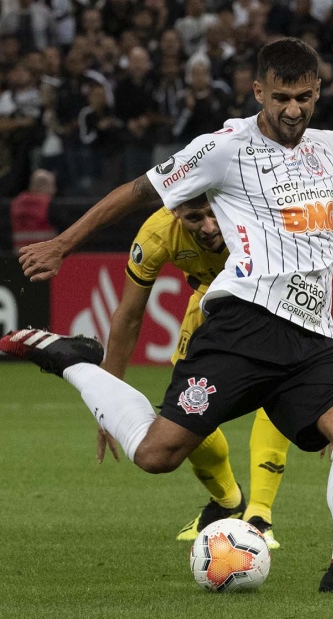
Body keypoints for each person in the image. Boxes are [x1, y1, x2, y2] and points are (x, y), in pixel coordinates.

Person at [1, 37, 333, 594]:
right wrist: (63, 244)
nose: (294, 110)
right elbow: (138, 190)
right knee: (156, 455)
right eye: (282, 97)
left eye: (305, 97)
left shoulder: (325, 147)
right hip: (244, 325)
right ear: (258, 90)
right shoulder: (222, 147)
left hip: (311, 337)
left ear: (318, 92)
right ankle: (71, 359)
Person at [97, 193, 288, 549]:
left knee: (275, 389)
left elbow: (310, 276)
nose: (209, 227)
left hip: (269, 300)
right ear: (174, 212)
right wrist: (106, 399)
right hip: (209, 302)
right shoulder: (156, 235)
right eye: (195, 218)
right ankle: (228, 503)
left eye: (214, 214)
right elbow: (129, 314)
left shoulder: (258, 211)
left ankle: (260, 517)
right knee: (184, 407)